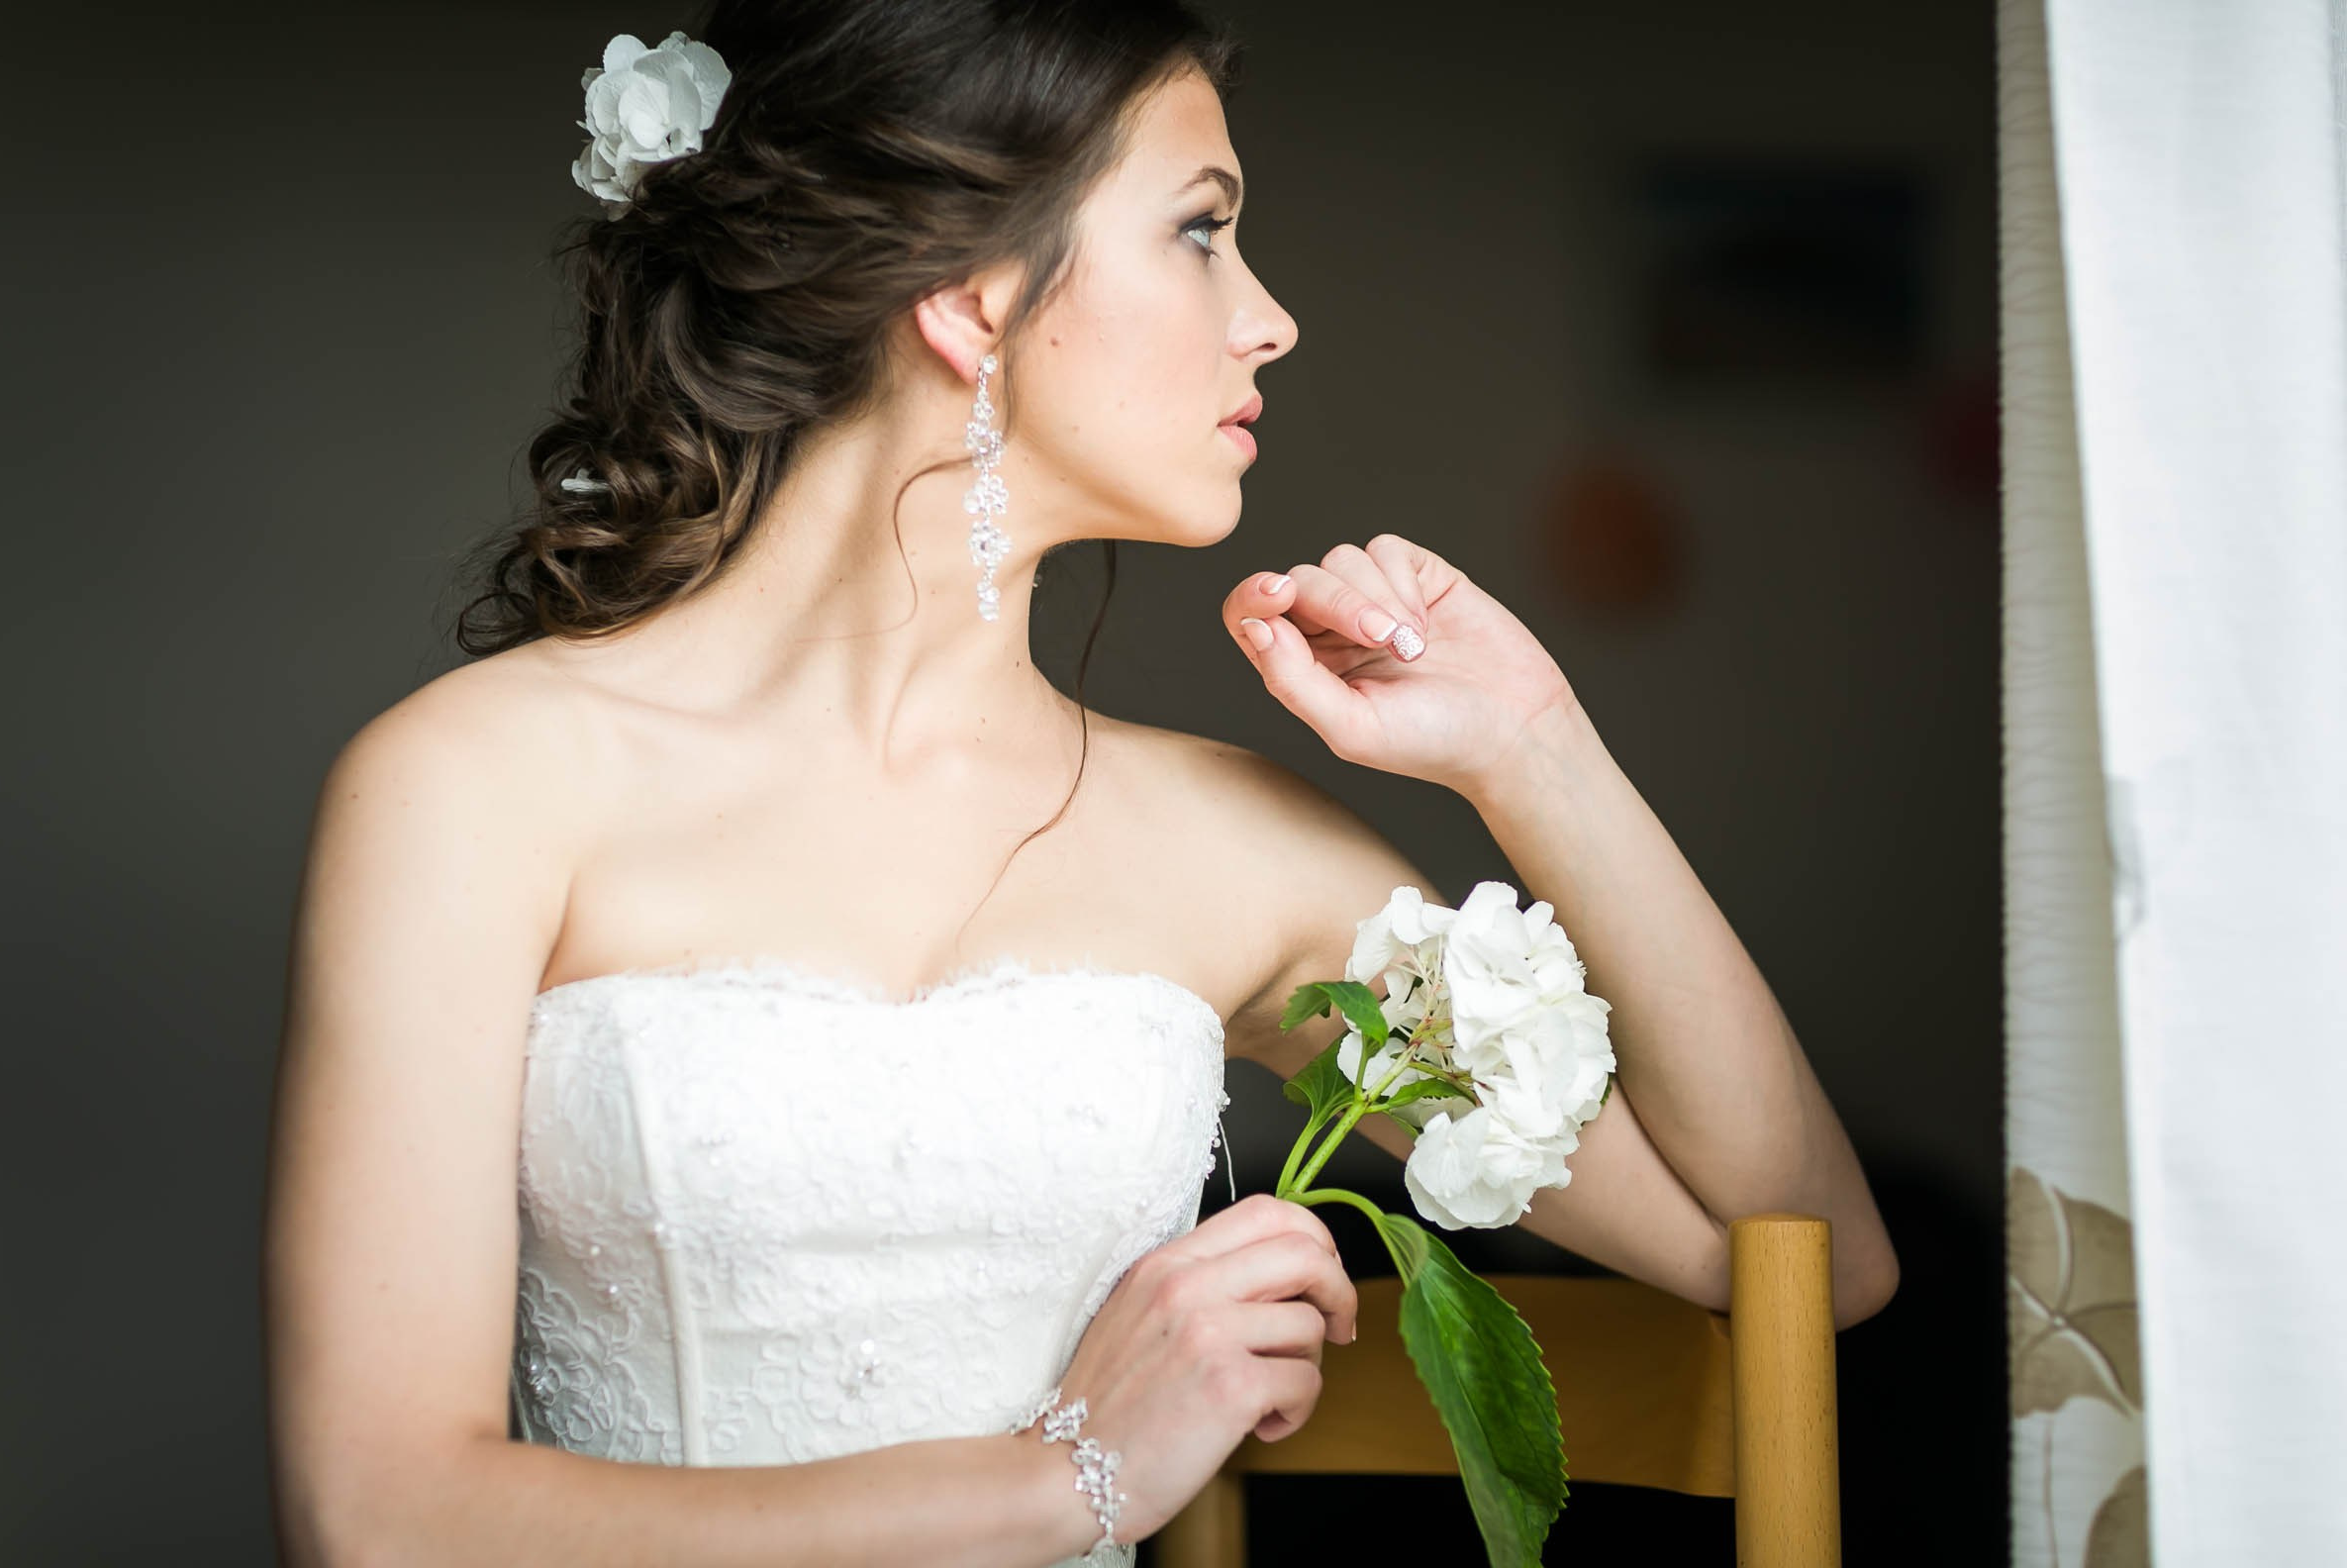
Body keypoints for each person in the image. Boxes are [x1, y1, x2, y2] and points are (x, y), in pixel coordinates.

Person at [261, 3, 1900, 1564]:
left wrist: (1539, 752)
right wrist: (1069, 1478)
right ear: (973, 295)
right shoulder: (470, 790)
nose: (1270, 315)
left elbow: (1799, 1266)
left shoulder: (1237, 857)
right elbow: (382, 1519)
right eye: (1201, 228)